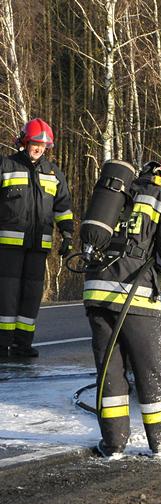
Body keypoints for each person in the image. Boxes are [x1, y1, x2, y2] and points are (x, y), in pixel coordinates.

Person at [83, 161, 161, 459]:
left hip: (96, 294)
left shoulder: (119, 192)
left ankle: (113, 443)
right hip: (137, 298)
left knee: (110, 372)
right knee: (153, 371)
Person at [0, 118, 74, 358]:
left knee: (32, 296)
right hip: (8, 247)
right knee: (7, 295)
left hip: (38, 246)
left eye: (43, 145)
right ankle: (2, 343)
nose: (39, 149)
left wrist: (67, 234)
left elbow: (63, 208)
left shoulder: (53, 173)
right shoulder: (6, 166)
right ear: (24, 142)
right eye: (35, 144)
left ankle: (23, 344)